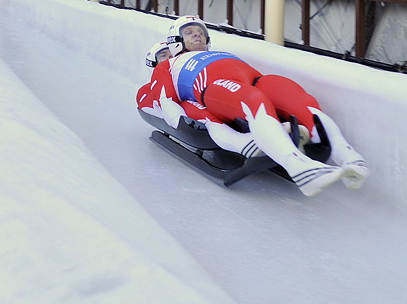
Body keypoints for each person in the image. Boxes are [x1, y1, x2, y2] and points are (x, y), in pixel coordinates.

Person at [137, 16, 369, 197]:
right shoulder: (169, 65)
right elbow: (165, 99)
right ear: (176, 41)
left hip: (254, 78)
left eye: (200, 32)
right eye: (189, 33)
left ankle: (349, 159)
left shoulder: (221, 52)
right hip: (212, 87)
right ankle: (299, 169)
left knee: (296, 96)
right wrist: (182, 121)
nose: (197, 35)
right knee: (252, 99)